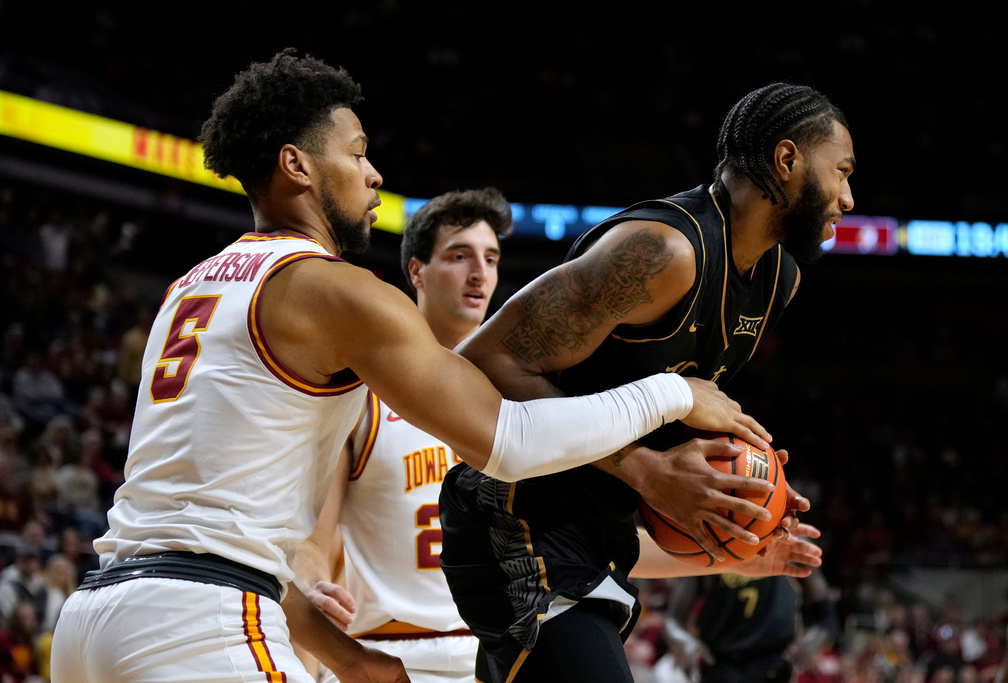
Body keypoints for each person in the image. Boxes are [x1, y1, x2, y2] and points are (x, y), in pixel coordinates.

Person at [48, 49, 768, 683]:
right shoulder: (335, 290)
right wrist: (670, 394)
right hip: (199, 627)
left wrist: (348, 656)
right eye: (356, 153)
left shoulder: (189, 288)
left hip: (96, 616)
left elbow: (211, 532)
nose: (373, 173)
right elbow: (509, 439)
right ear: (297, 166)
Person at [439, 81, 855, 682]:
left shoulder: (777, 280)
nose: (847, 198)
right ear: (787, 160)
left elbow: (651, 407)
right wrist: (644, 470)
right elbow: (481, 364)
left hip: (599, 530)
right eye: (841, 172)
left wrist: (744, 492)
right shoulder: (664, 252)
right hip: (515, 515)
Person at [293, 187, 514, 683]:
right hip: (387, 657)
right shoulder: (360, 395)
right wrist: (310, 582)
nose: (479, 273)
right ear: (417, 271)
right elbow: (313, 541)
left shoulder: (515, 399)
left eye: (491, 259)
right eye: (459, 256)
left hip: (494, 659)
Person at [663, 566, 840, 683]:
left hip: (775, 667)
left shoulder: (793, 541)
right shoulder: (706, 543)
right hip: (719, 666)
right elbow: (673, 619)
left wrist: (812, 643)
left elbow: (827, 617)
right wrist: (687, 644)